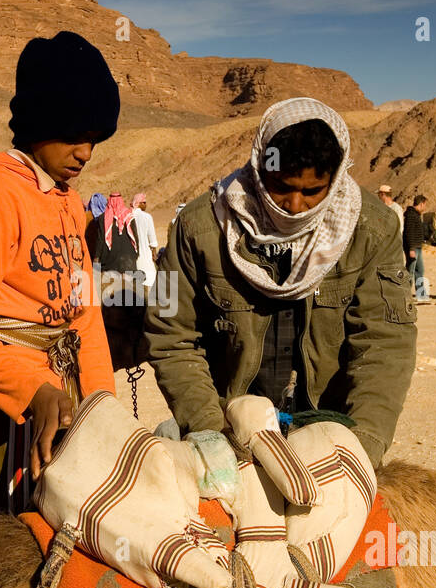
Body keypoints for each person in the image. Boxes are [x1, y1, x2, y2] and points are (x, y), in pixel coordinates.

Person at [146, 97, 416, 470]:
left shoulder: (373, 229)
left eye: (312, 191)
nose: (294, 205)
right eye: (281, 187)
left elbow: (384, 345)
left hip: (328, 434)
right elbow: (169, 336)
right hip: (228, 431)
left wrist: (362, 447)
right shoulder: (197, 227)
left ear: (336, 179)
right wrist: (210, 434)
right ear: (259, 168)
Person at [0, 30, 118, 516]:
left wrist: (102, 407)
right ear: (40, 122)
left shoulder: (68, 200)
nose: (85, 152)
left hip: (62, 403)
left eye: (94, 140)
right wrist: (31, 391)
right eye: (75, 134)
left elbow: (84, 316)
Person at [403, 194, 430, 303]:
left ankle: (421, 295)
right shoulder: (410, 215)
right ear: (421, 203)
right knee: (410, 271)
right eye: (425, 205)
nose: (425, 207)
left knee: (420, 270)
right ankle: (405, 295)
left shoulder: (416, 215)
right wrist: (411, 249)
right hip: (413, 248)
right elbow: (409, 233)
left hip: (417, 247)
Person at [130, 193, 160, 288]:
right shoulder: (147, 217)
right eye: (144, 202)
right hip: (146, 257)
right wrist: (154, 253)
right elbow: (152, 238)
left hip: (133, 258)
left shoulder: (129, 216)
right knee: (150, 284)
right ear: (138, 204)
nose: (146, 205)